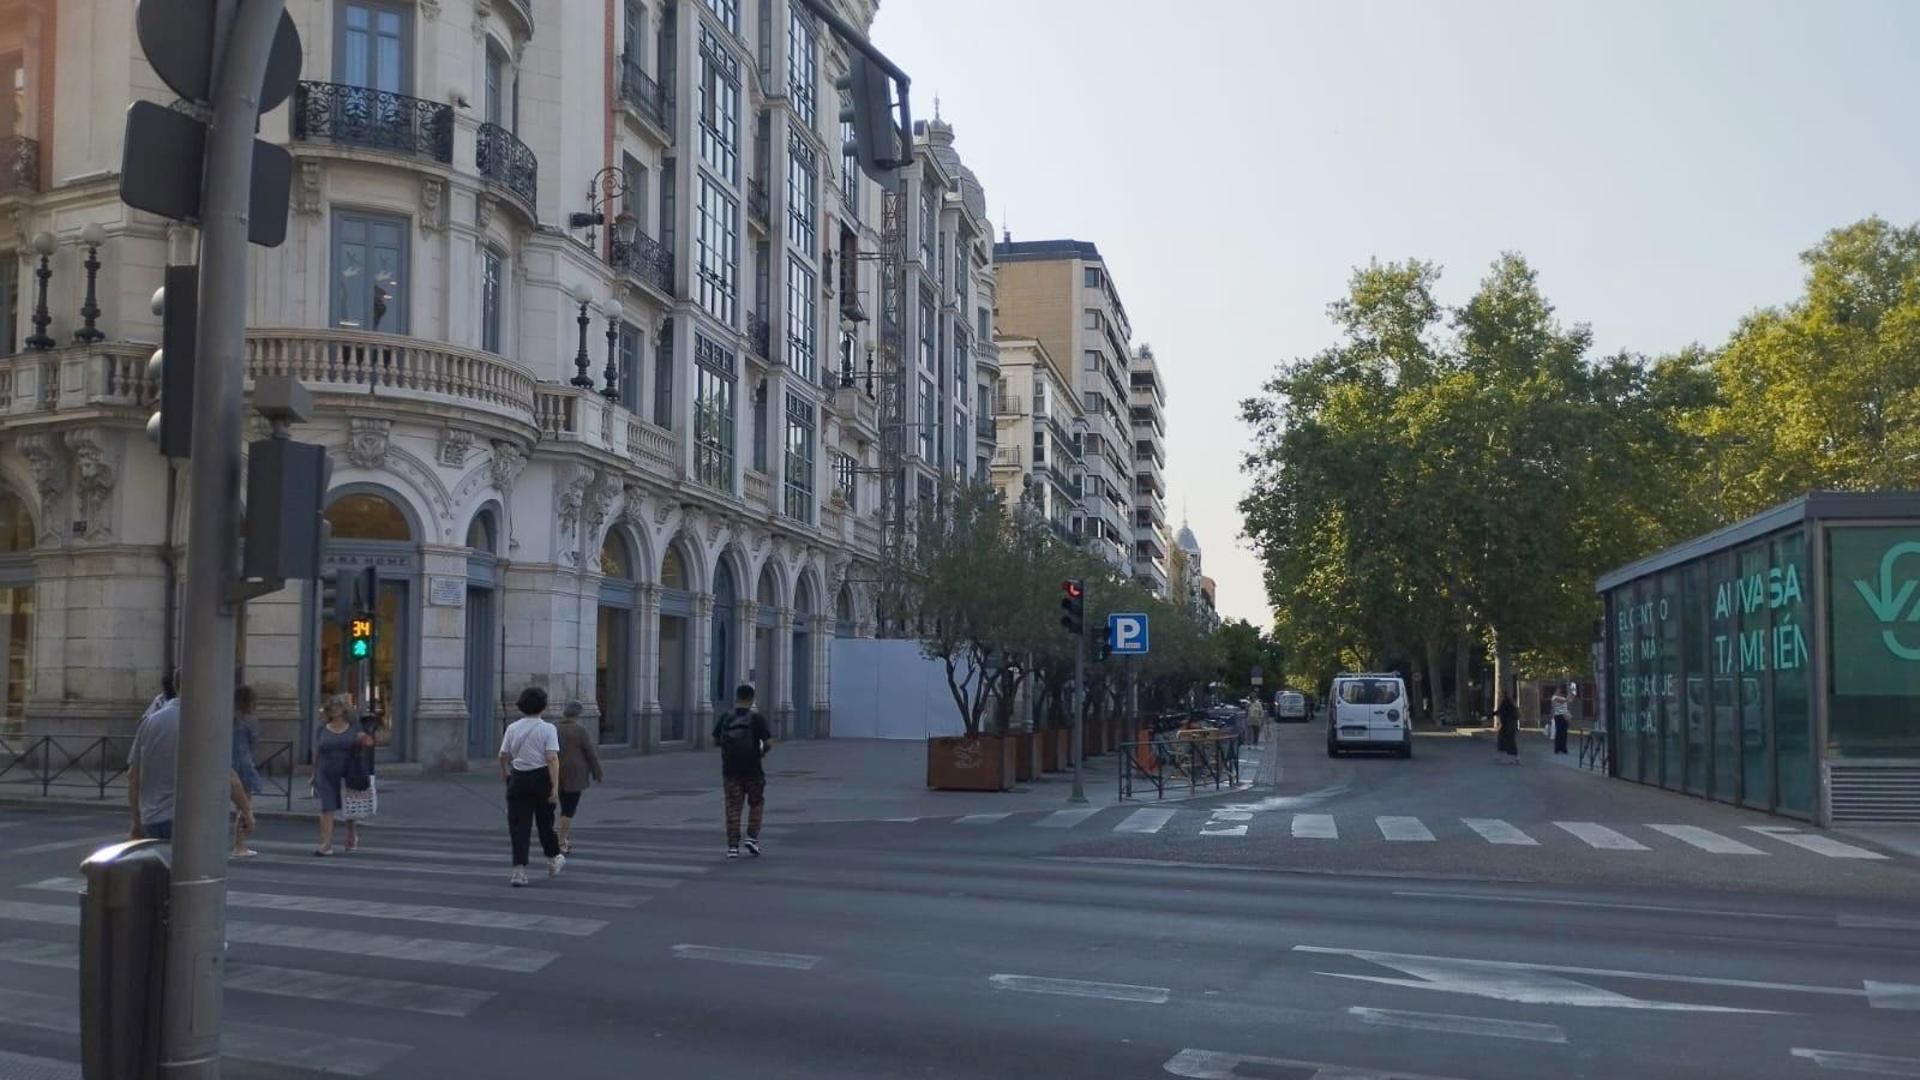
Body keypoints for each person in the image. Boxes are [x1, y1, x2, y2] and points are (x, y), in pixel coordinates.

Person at [128, 675, 254, 843]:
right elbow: (226, 775)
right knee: (198, 870)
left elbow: (133, 775)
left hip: (151, 819)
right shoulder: (202, 722)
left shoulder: (150, 721)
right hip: (188, 820)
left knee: (161, 868)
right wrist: (247, 811)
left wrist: (136, 822)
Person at [500, 685, 564, 887]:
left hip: (518, 778)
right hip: (541, 778)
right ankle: (553, 857)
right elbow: (552, 758)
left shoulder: (512, 728)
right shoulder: (548, 728)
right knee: (545, 822)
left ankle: (519, 871)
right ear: (543, 706)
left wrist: (506, 773)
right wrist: (554, 787)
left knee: (519, 826)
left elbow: (503, 756)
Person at [714, 683, 773, 859]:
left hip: (730, 769)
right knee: (756, 803)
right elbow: (769, 743)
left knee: (733, 807)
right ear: (752, 699)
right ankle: (752, 838)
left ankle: (733, 846)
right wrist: (761, 753)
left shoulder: (726, 717)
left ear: (736, 697)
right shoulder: (756, 719)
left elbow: (714, 740)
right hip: (753, 769)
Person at [553, 700, 604, 856]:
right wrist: (598, 772)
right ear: (579, 714)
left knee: (563, 804)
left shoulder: (554, 728)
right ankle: (562, 841)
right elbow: (590, 753)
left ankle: (563, 837)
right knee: (569, 809)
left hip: (556, 771)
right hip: (575, 774)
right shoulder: (580, 730)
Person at [311, 695, 361, 855]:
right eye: (331, 706)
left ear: (345, 709)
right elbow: (318, 751)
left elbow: (362, 748)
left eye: (338, 706)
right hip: (325, 770)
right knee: (327, 807)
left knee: (350, 805)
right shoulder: (322, 727)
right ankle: (325, 844)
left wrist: (363, 740)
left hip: (348, 770)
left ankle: (351, 833)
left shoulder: (353, 726)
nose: (334, 709)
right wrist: (313, 773)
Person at [231, 685, 264, 858]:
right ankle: (240, 844)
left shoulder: (229, 717)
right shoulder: (250, 719)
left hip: (226, 761)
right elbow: (253, 742)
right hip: (243, 763)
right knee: (244, 806)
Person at [1495, 693, 1520, 764]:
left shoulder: (1503, 706)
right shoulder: (1513, 707)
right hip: (1512, 727)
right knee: (1511, 742)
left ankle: (1502, 756)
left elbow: (1498, 712)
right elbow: (1517, 716)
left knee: (1502, 740)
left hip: (1505, 727)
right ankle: (1515, 757)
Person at [1550, 685, 1571, 755]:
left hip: (1565, 716)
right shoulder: (1554, 697)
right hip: (1558, 716)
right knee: (1559, 732)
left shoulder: (1563, 697)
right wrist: (1568, 697)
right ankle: (1557, 748)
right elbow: (1563, 701)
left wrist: (1571, 694)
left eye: (1559, 690)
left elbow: (1568, 702)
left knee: (1564, 733)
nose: (1559, 691)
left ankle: (1563, 748)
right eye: (1557, 690)